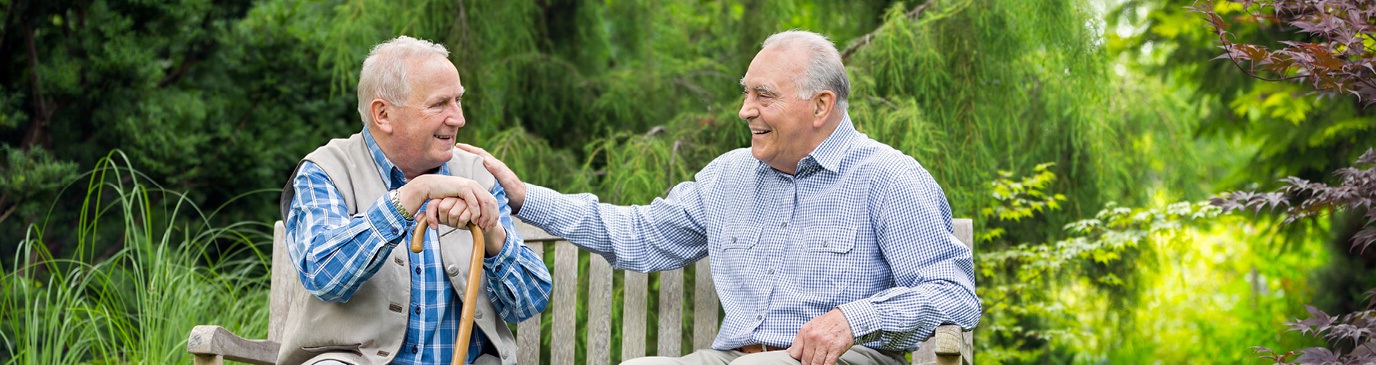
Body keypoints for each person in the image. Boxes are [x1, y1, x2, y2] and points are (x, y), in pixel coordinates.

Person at [457, 30, 980, 365]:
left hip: (850, 359)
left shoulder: (889, 178)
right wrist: (524, 197)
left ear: (821, 106)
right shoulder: (730, 177)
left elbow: (953, 293)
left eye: (763, 96)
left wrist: (852, 320)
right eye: (745, 92)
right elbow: (640, 234)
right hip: (735, 359)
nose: (744, 110)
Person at [278, 36, 551, 365]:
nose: (458, 118)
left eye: (458, 101)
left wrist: (491, 232)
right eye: (439, 104)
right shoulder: (325, 171)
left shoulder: (477, 177)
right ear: (383, 115)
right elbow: (324, 275)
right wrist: (410, 196)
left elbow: (528, 303)